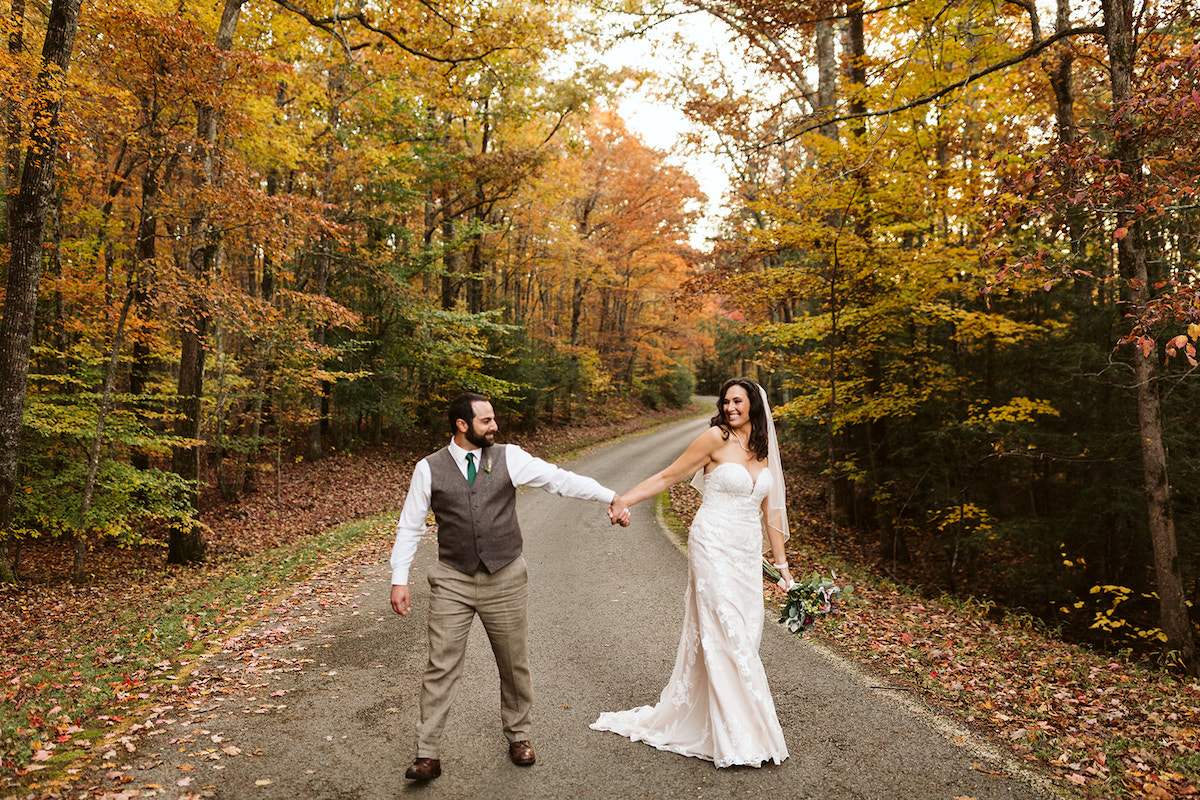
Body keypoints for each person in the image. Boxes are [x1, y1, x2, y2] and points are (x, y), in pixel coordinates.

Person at [389, 392, 628, 781]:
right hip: (452, 579)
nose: (494, 426)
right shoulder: (428, 468)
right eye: (486, 421)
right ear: (462, 425)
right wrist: (400, 578)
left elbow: (559, 480)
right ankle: (427, 754)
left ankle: (519, 735)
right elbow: (410, 525)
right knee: (440, 666)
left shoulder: (509, 457)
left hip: (505, 576)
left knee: (514, 664)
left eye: (494, 419)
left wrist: (611, 495)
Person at [592, 378, 792, 768]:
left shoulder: (764, 449)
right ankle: (742, 736)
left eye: (738, 401)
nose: (730, 407)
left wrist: (784, 569)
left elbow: (772, 515)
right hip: (712, 545)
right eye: (726, 401)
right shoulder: (714, 438)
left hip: (747, 554)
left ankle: (723, 721)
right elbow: (669, 475)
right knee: (727, 632)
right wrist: (624, 500)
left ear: (754, 405)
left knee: (745, 633)